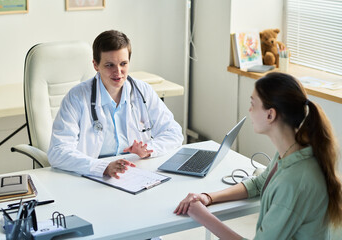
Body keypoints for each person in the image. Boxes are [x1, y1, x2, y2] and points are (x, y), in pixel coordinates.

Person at [174, 72, 342, 239]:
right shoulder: (292, 151)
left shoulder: (294, 181)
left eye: (253, 104)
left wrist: (203, 217)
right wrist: (207, 197)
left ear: (270, 115)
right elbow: (259, 183)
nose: (249, 110)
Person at [48, 30, 183, 179]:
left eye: (123, 64)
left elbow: (174, 133)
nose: (118, 72)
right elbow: (58, 151)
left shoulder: (142, 91)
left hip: (136, 171)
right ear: (95, 65)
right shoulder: (77, 97)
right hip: (93, 176)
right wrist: (102, 167)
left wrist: (149, 149)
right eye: (109, 65)